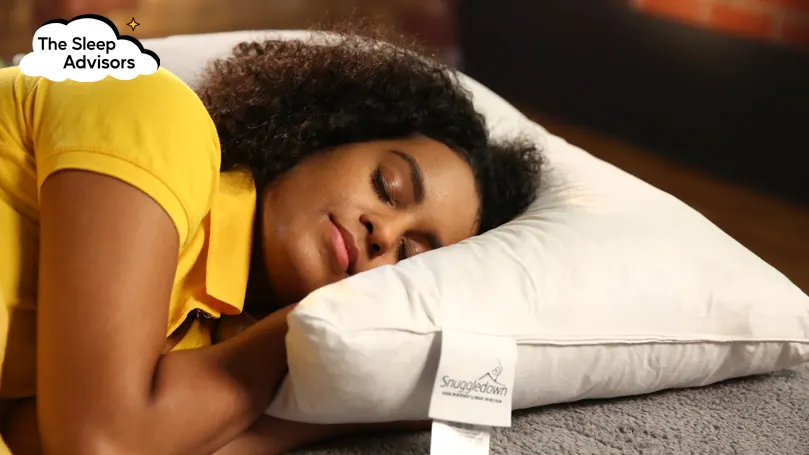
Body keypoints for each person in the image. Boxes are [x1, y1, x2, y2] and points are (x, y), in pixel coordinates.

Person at [0, 31, 543, 455]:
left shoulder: (204, 344)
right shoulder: (156, 119)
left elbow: (36, 441)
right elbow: (100, 443)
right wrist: (291, 325)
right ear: (325, 135)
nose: (386, 234)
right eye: (388, 185)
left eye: (411, 255)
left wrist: (339, 399)